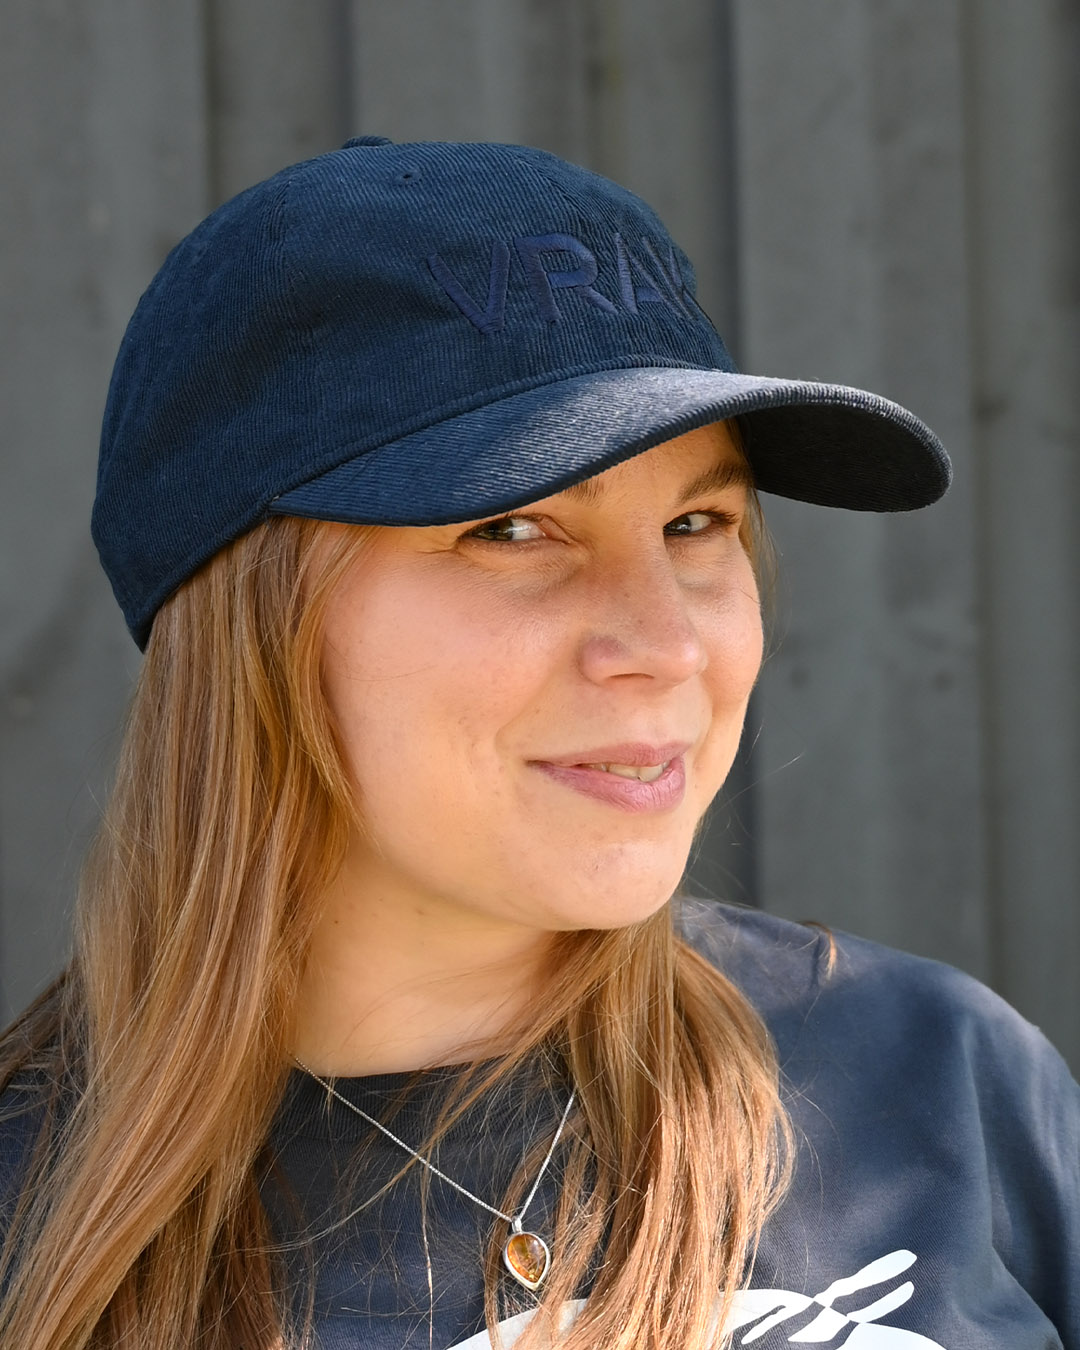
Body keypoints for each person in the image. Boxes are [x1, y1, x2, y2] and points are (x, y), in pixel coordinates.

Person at [0, 137, 1075, 1350]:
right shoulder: (28, 1237)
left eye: (697, 521)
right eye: (514, 528)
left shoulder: (942, 1078)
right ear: (249, 624)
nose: (665, 644)